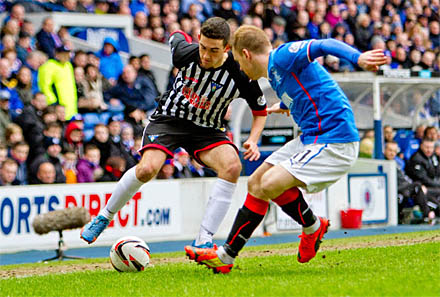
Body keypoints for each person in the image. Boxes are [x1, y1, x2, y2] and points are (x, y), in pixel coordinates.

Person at [185, 25, 387, 274]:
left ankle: (312, 228)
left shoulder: (282, 56)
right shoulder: (274, 74)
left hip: (334, 139)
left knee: (269, 183)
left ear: (246, 54)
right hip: (311, 138)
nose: (241, 69)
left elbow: (324, 45)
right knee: (256, 182)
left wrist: (358, 58)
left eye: (238, 61)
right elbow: (309, 89)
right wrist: (284, 104)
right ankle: (226, 257)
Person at [80, 17, 267, 248]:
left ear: (227, 48)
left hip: (207, 129)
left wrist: (253, 139)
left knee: (232, 166)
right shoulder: (184, 53)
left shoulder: (240, 72)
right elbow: (176, 35)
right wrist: (180, 36)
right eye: (203, 47)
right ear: (198, 40)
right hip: (170, 120)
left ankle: (204, 239)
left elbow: (260, 110)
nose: (206, 56)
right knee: (147, 169)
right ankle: (104, 216)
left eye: (214, 51)